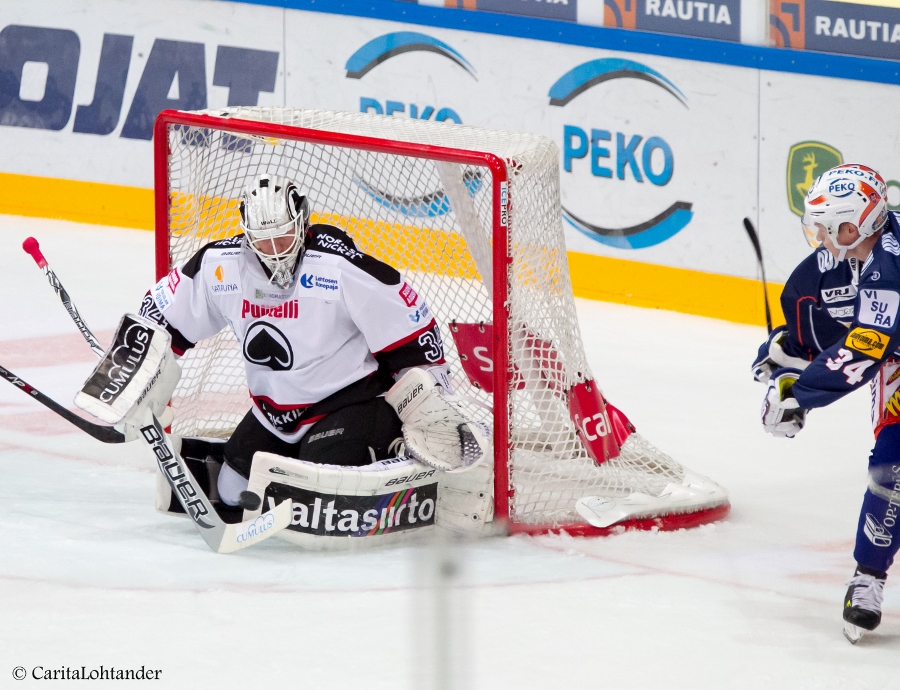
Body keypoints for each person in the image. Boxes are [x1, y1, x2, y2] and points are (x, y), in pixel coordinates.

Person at [138, 173, 460, 516]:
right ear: (247, 235)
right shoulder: (223, 267)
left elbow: (407, 324)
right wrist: (138, 370)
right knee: (231, 490)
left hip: (351, 399)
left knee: (323, 485)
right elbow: (160, 317)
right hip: (275, 413)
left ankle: (390, 449)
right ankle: (300, 462)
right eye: (264, 240)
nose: (276, 249)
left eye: (284, 235)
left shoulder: (337, 267)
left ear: (302, 222)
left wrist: (428, 399)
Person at [753, 163, 897, 643]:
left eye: (828, 226)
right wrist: (786, 351)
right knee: (892, 469)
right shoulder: (839, 258)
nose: (818, 235)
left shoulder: (889, 266)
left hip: (886, 349)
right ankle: (867, 579)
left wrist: (801, 394)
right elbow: (825, 321)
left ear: (857, 224)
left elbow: (867, 344)